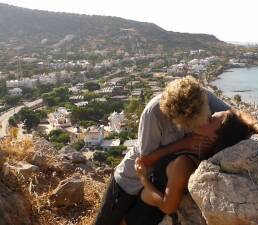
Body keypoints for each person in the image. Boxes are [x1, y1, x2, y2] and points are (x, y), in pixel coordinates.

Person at [94, 76, 230, 225]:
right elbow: (145, 160)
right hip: (130, 180)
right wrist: (184, 143)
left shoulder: (202, 98)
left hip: (156, 186)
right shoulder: (154, 113)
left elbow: (234, 115)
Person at [133, 109, 258, 224]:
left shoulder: (184, 163)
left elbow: (168, 206)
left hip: (144, 215)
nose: (206, 117)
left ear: (214, 137)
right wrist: (184, 144)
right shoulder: (197, 151)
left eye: (210, 120)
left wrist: (143, 179)